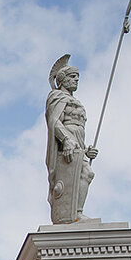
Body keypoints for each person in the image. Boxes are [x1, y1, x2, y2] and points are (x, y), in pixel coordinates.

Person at [45, 56, 97, 224]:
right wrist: (66, 140)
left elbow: (78, 129)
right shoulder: (56, 96)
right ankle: (73, 214)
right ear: (62, 80)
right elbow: (54, 121)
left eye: (77, 78)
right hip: (66, 146)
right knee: (82, 174)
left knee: (87, 174)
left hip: (77, 144)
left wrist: (86, 149)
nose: (76, 80)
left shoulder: (76, 101)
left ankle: (77, 212)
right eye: (72, 77)